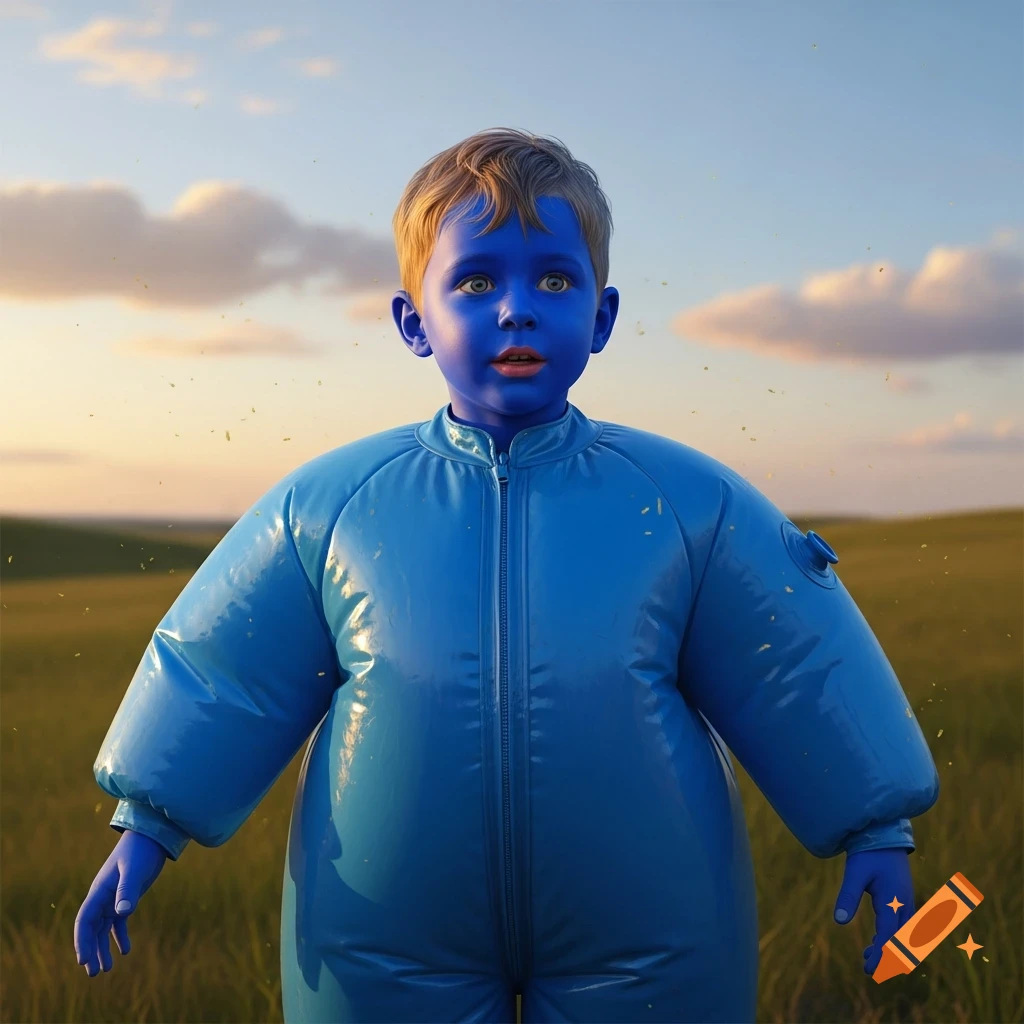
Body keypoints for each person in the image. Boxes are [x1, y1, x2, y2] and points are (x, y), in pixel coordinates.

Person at [74, 128, 939, 1023]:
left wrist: (874, 825)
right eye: (476, 281)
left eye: (554, 280)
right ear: (415, 321)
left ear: (600, 318)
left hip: (651, 922)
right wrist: (148, 820)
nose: (516, 308)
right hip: (380, 929)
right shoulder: (331, 510)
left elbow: (794, 657)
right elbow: (225, 666)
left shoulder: (687, 505)